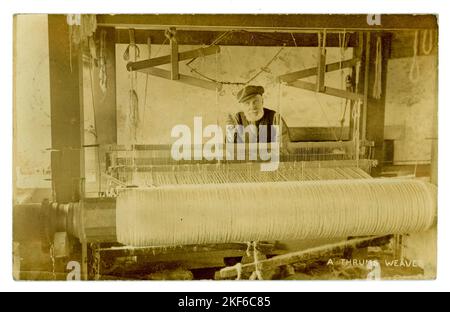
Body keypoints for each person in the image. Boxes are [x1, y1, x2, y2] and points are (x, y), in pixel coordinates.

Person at [226, 85, 291, 151]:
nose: (252, 107)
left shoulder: (275, 117)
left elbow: (284, 147)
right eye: (247, 103)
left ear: (262, 101)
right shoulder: (237, 118)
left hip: (269, 159)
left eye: (255, 102)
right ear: (243, 106)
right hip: (246, 159)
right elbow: (230, 147)